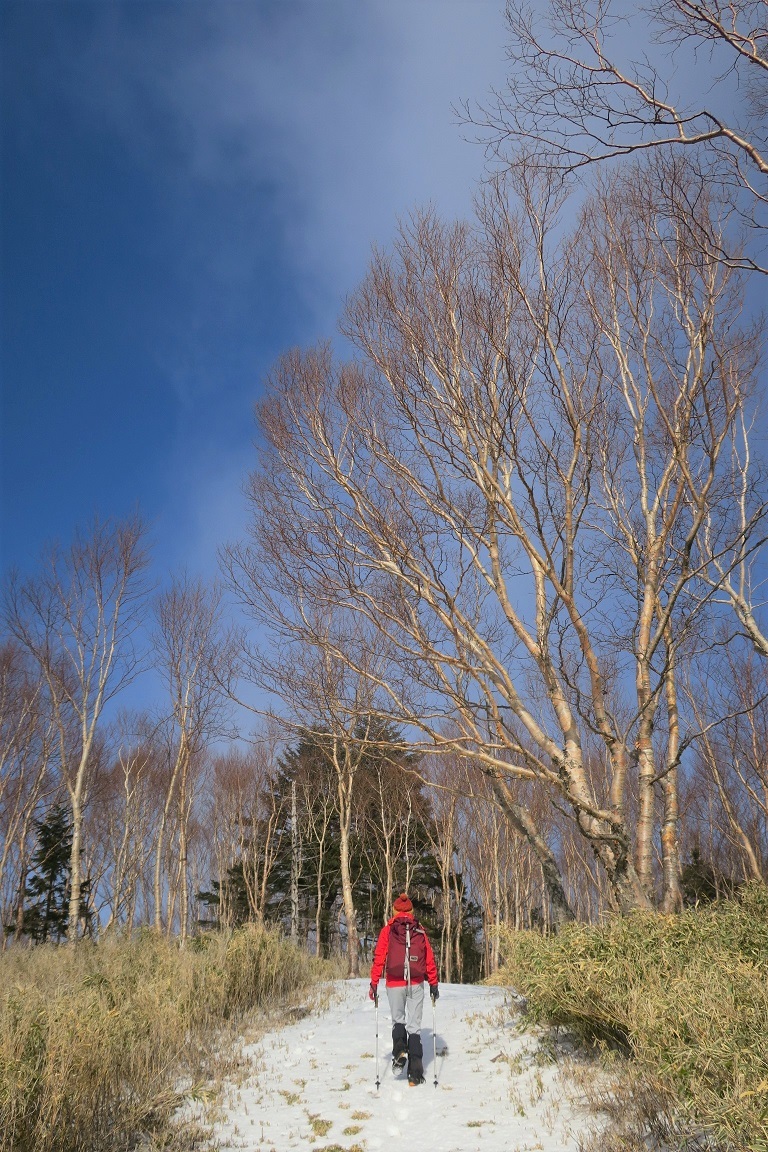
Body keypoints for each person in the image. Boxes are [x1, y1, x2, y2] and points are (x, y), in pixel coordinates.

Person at [368, 892, 439, 1086]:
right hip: (416, 983)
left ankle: (399, 1049)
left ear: (395, 910)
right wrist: (433, 983)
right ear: (411, 911)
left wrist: (374, 983)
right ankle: (415, 1075)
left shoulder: (388, 930)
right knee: (414, 1028)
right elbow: (429, 958)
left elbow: (379, 957)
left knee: (398, 1020)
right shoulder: (419, 930)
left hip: (394, 983)